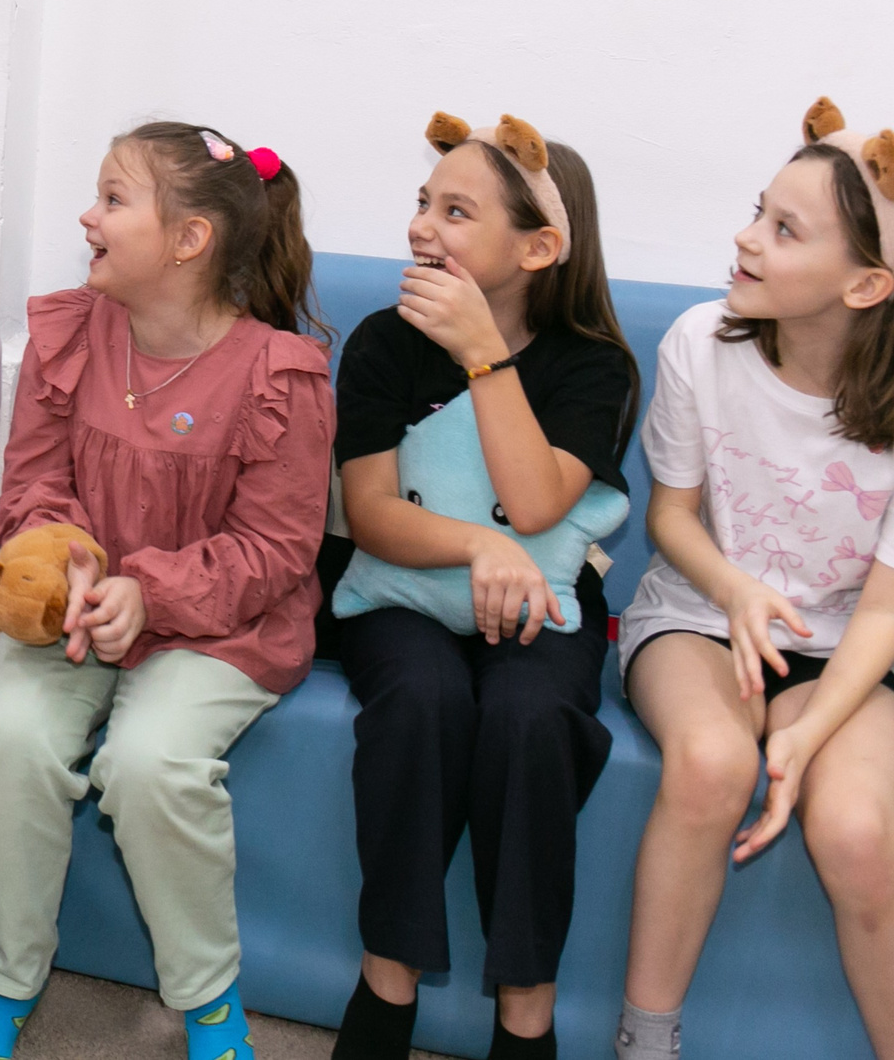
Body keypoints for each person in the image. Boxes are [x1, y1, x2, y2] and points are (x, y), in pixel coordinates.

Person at [0, 123, 333, 1060]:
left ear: (189, 239)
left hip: (217, 627)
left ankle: (209, 1005)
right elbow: (32, 484)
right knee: (6, 741)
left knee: (151, 764)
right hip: (75, 612)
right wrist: (69, 557)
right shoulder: (71, 333)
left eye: (114, 199)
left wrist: (147, 595)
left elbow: (275, 548)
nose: (89, 214)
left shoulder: (280, 377)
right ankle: (6, 979)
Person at [325, 115, 639, 1060]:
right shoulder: (382, 340)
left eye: (456, 210)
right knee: (420, 699)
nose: (423, 225)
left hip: (544, 612)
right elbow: (372, 513)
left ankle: (526, 1015)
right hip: (400, 594)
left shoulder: (596, 365)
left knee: (532, 720)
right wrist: (476, 548)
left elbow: (539, 501)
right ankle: (387, 989)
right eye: (424, 202)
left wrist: (483, 356)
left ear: (538, 247)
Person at [616, 100, 894, 1059]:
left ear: (866, 283)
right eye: (756, 210)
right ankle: (646, 1039)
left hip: (849, 649)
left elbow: (886, 607)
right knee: (712, 762)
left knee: (857, 830)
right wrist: (734, 590)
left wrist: (810, 729)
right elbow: (669, 516)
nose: (746, 238)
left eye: (785, 229)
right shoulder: (701, 340)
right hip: (698, 615)